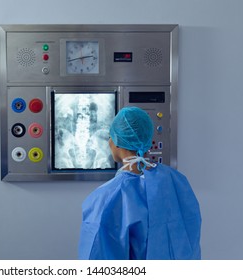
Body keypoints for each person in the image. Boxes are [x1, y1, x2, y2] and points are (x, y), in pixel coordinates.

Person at [78, 106, 201, 260]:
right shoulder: (177, 182)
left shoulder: (105, 199)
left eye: (111, 136)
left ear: (116, 142)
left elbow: (96, 258)